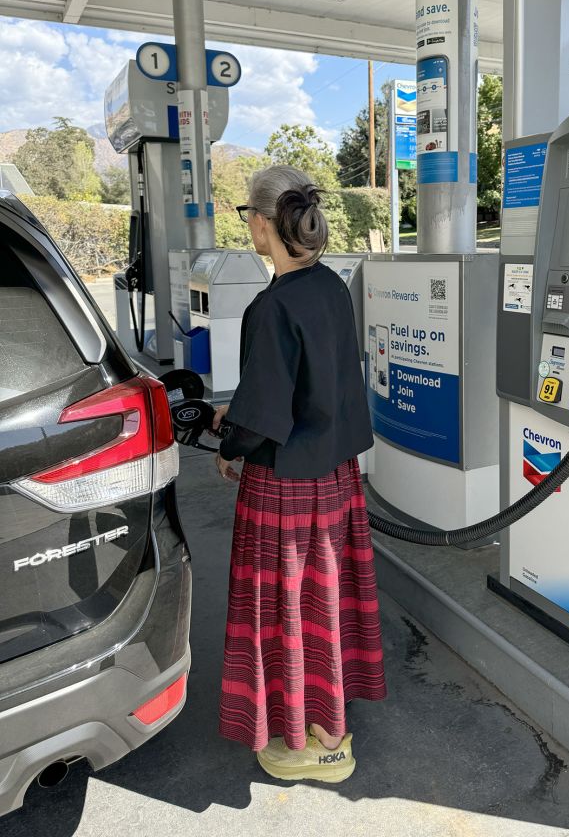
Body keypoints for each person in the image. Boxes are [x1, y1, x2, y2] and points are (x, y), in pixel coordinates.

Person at [214, 165, 386, 785]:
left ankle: (313, 744)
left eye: (248, 217)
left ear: (263, 223)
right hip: (336, 476)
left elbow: (263, 414)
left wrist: (229, 443)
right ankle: (332, 732)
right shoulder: (331, 287)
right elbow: (314, 381)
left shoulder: (271, 306)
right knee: (326, 603)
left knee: (285, 612)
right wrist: (243, 414)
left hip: (282, 486)